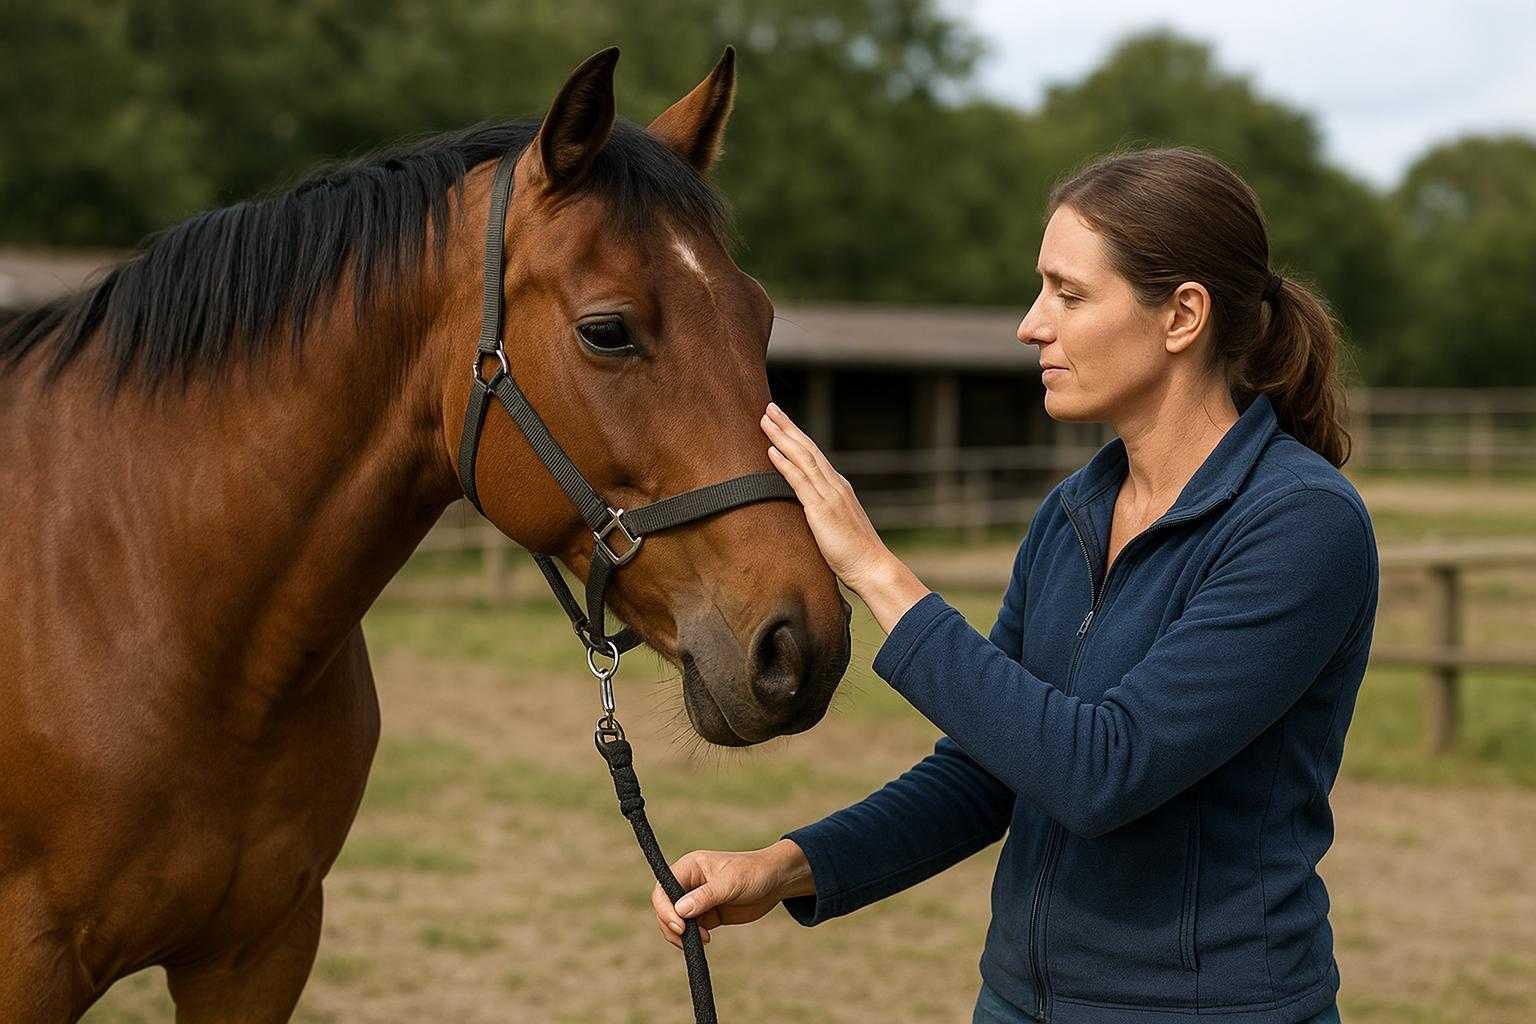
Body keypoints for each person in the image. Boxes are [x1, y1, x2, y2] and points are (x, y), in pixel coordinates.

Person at [649, 147, 1376, 1024]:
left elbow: (1100, 771)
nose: (1032, 325)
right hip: (1018, 1006)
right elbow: (987, 774)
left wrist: (876, 572)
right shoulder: (1074, 512)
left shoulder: (1300, 526)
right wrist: (784, 864)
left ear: (1183, 316)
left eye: (1068, 295)